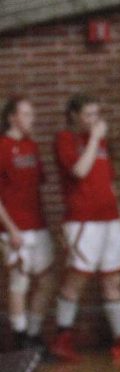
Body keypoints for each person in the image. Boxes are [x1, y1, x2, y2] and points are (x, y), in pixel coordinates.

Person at [52, 94, 120, 362]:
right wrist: (94, 139)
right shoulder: (65, 139)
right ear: (74, 116)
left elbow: (110, 182)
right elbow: (80, 171)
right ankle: (62, 337)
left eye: (97, 114)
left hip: (110, 220)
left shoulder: (104, 142)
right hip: (83, 220)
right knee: (77, 278)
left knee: (113, 280)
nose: (94, 120)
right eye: (88, 115)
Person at [0, 95, 55, 348]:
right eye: (26, 114)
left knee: (46, 279)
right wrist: (11, 228)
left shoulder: (32, 146)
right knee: (19, 281)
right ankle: (20, 336)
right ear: (12, 117)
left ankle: (33, 333)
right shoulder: (2, 146)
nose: (31, 119)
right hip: (14, 225)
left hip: (37, 223)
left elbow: (37, 185)